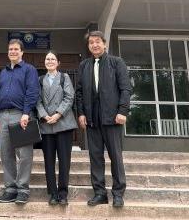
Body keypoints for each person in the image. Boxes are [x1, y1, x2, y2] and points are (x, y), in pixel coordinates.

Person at [76, 31, 132, 208]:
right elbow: (79, 93)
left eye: (97, 42)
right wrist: (81, 114)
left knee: (115, 156)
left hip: (112, 118)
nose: (94, 45)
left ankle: (118, 193)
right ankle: (100, 193)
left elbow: (126, 89)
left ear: (104, 44)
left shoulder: (117, 62)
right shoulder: (84, 65)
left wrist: (123, 110)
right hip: (92, 120)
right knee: (95, 157)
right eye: (91, 42)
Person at [0, 39, 40, 204]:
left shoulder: (29, 69)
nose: (13, 51)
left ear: (22, 52)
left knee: (24, 154)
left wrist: (26, 113)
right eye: (10, 49)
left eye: (16, 49)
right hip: (3, 116)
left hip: (21, 115)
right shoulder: (3, 72)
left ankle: (23, 189)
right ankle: (10, 189)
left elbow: (32, 91)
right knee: (6, 154)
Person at [36, 51, 77, 206]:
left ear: (58, 62)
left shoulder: (64, 77)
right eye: (48, 59)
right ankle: (52, 193)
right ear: (44, 62)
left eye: (53, 59)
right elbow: (37, 100)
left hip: (63, 124)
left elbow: (69, 97)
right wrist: (44, 115)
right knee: (49, 162)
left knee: (64, 161)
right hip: (46, 125)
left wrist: (58, 114)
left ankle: (63, 193)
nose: (50, 61)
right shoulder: (40, 80)